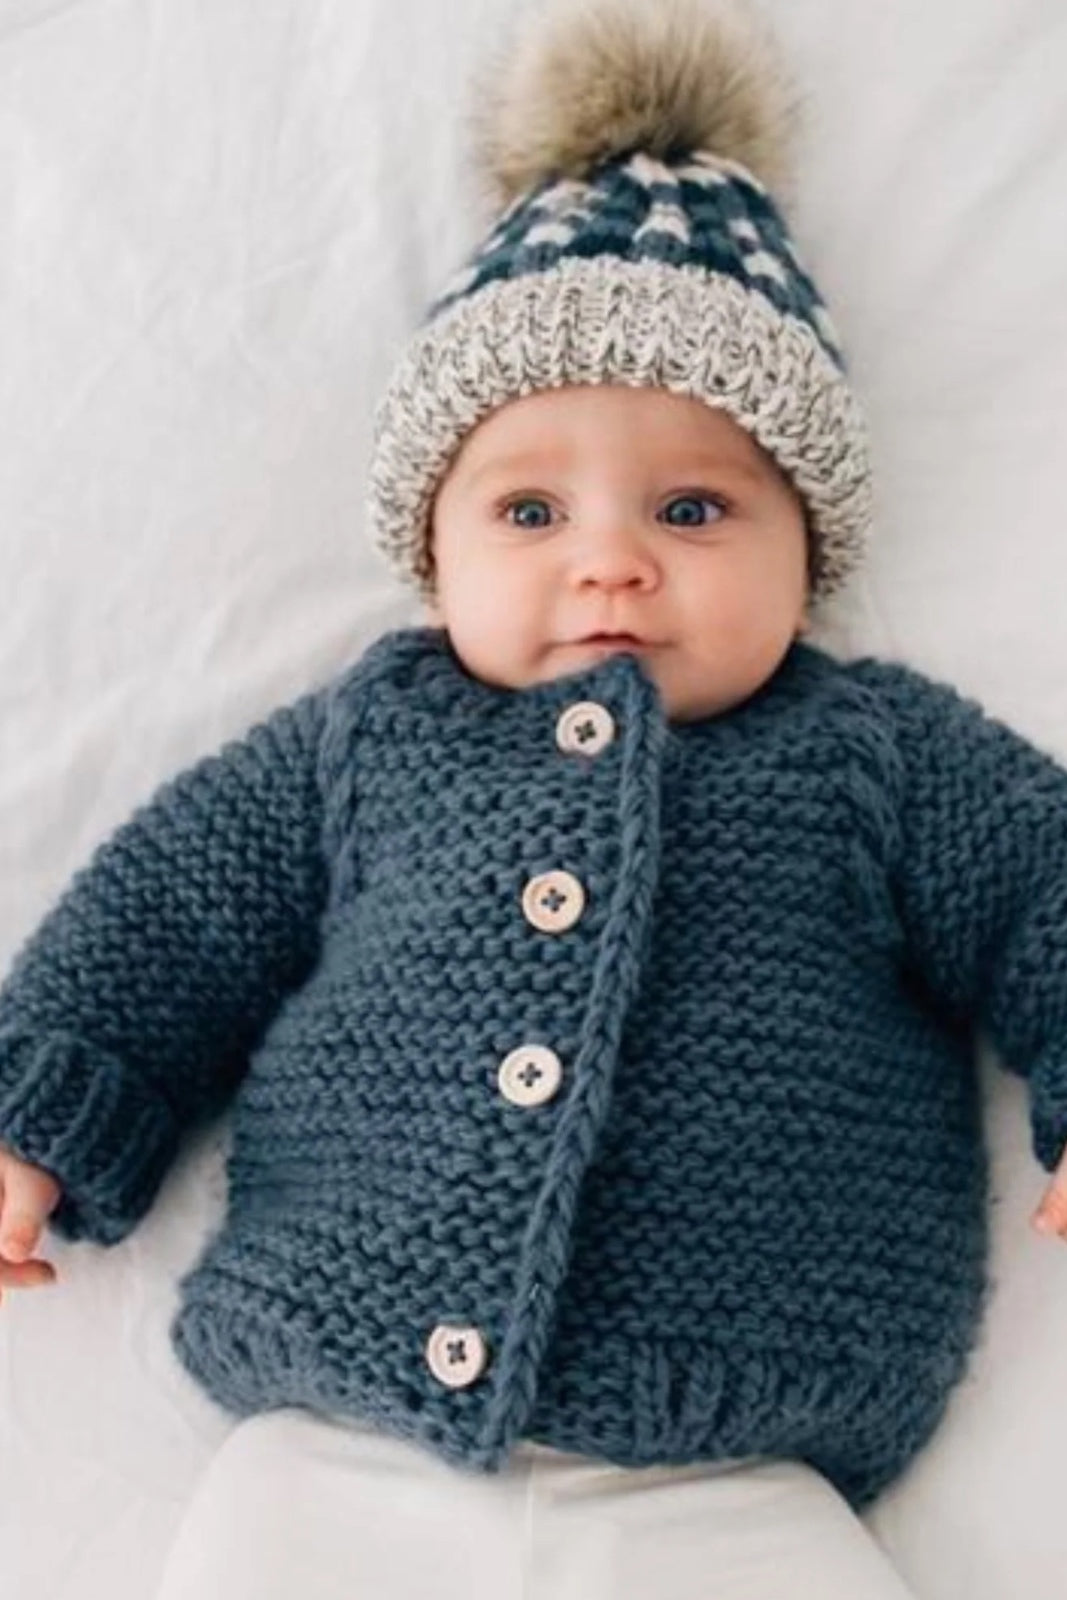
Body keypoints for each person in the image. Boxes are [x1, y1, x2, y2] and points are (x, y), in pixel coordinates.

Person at [2, 1, 1066, 1595]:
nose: (611, 558)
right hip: (335, 1444)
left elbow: (1051, 885)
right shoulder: (366, 742)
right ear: (435, 556)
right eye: (529, 508)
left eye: (695, 507)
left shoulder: (879, 755)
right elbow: (164, 921)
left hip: (743, 1473)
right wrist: (43, 1113)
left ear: (811, 550)